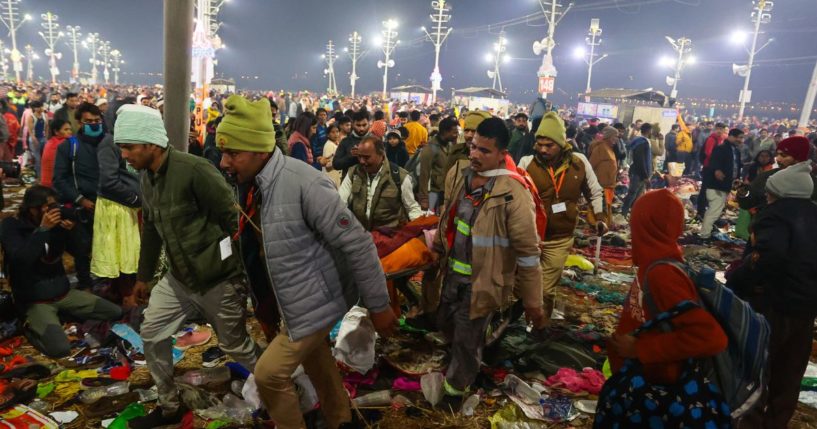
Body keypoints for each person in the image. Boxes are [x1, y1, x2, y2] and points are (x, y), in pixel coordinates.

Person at [215, 95, 396, 429]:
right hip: (296, 299)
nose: (225, 162)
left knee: (269, 375)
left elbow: (358, 244)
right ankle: (342, 420)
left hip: (318, 299)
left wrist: (378, 304)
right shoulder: (252, 184)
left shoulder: (303, 182)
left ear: (259, 150)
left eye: (232, 153)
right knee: (317, 361)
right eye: (224, 152)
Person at [117, 105, 261, 429]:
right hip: (179, 279)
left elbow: (234, 220)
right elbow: (152, 229)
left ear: (150, 143)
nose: (124, 155)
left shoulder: (194, 170)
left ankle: (284, 389)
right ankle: (169, 406)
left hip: (217, 278)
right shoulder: (147, 179)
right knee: (152, 333)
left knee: (236, 345)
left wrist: (240, 274)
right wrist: (144, 278)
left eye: (129, 146)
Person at [432, 117, 546, 397]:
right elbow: (448, 216)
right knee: (445, 326)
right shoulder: (461, 175)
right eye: (473, 147)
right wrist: (437, 247)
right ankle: (468, 361)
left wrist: (533, 302)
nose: (475, 155)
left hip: (483, 282)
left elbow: (529, 255)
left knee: (466, 341)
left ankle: (455, 394)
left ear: (502, 154)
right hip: (451, 276)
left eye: (484, 151)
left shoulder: (513, 194)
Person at [602, 189, 729, 427]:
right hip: (643, 383)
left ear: (645, 225)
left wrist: (641, 349)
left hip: (657, 393)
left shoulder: (663, 274)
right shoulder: (652, 263)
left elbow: (711, 337)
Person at [729, 161, 817, 429]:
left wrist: (737, 279)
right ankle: (776, 423)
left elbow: (767, 258)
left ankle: (752, 424)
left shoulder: (774, 214)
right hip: (806, 307)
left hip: (773, 304)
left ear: (778, 192)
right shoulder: (814, 214)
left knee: (758, 370)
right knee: (789, 375)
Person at [0, 186, 122, 357]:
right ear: (33, 208)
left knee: (114, 312)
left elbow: (82, 251)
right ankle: (28, 327)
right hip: (35, 301)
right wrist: (42, 230)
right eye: (48, 206)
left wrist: (73, 231)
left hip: (63, 294)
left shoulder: (58, 224)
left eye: (54, 205)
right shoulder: (12, 225)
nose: (53, 210)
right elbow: (21, 260)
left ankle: (62, 315)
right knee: (61, 349)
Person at [519, 111, 605, 318]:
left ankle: (540, 326)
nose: (543, 149)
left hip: (560, 238)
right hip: (529, 237)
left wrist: (599, 218)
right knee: (520, 286)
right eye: (540, 144)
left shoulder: (579, 162)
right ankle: (523, 317)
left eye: (549, 145)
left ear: (561, 142)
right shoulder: (526, 163)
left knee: (546, 289)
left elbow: (595, 191)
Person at [91, 103, 141, 308]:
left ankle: (119, 292)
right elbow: (109, 181)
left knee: (127, 253)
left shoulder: (129, 141)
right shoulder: (110, 142)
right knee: (121, 255)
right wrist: (135, 199)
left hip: (128, 206)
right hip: (116, 207)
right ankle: (127, 298)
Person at [52, 102, 106, 290]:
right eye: (88, 121)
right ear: (79, 122)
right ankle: (86, 286)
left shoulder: (110, 143)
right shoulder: (69, 147)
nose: (94, 124)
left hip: (109, 207)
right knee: (82, 250)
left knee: (108, 248)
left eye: (97, 120)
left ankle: (109, 284)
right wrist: (81, 200)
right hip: (82, 208)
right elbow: (59, 179)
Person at [338, 136, 422, 230]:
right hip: (361, 236)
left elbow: (412, 208)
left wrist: (418, 230)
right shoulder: (353, 173)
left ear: (381, 154)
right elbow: (340, 204)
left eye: (366, 157)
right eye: (359, 156)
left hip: (389, 239)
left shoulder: (400, 177)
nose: (361, 161)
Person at [699, 128, 744, 240]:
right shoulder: (721, 148)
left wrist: (736, 179)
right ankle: (705, 235)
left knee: (715, 210)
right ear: (732, 136)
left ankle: (707, 232)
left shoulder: (735, 151)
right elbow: (714, 163)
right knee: (714, 210)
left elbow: (736, 167)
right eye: (740, 137)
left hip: (725, 185)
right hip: (716, 185)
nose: (741, 140)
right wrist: (717, 171)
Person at [418, 116, 458, 213]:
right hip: (432, 193)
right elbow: (424, 174)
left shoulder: (449, 145)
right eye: (454, 132)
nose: (456, 135)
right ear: (445, 132)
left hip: (445, 191)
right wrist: (424, 199)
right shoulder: (430, 149)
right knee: (431, 218)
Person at [621, 123, 653, 217]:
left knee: (636, 195)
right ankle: (624, 214)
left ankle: (631, 215)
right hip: (639, 173)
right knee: (633, 194)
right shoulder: (643, 142)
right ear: (649, 131)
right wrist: (645, 176)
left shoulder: (638, 140)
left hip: (637, 171)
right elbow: (640, 160)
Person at [589, 127, 619, 225]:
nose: (617, 139)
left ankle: (605, 227)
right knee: (600, 210)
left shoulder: (609, 148)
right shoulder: (600, 148)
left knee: (606, 208)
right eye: (615, 136)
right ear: (609, 136)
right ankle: (598, 228)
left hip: (609, 186)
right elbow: (590, 166)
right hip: (601, 186)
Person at [446, 110, 491, 175]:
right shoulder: (456, 152)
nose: (469, 135)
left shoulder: (492, 156)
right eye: (466, 131)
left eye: (474, 131)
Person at [332, 109, 371, 178]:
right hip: (349, 184)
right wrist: (350, 156)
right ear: (353, 124)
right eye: (358, 125)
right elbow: (336, 164)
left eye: (364, 125)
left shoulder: (376, 140)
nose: (361, 128)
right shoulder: (346, 141)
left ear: (369, 123)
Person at [40, 119, 72, 187]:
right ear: (56, 131)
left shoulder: (50, 141)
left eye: (70, 129)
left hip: (46, 182)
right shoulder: (62, 144)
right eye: (66, 130)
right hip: (55, 184)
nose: (69, 132)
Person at [26, 100, 48, 176]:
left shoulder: (45, 115)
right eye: (39, 107)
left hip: (43, 138)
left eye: (41, 106)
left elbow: (47, 127)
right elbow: (30, 130)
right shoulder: (31, 117)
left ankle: (44, 174)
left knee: (44, 158)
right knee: (37, 159)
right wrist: (33, 138)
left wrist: (46, 138)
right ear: (35, 108)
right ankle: (39, 176)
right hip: (35, 139)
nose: (41, 108)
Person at [320, 123, 342, 187]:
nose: (336, 134)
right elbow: (327, 165)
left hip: (335, 174)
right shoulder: (329, 145)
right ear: (328, 135)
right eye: (333, 132)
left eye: (337, 131)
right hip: (331, 175)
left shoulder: (336, 143)